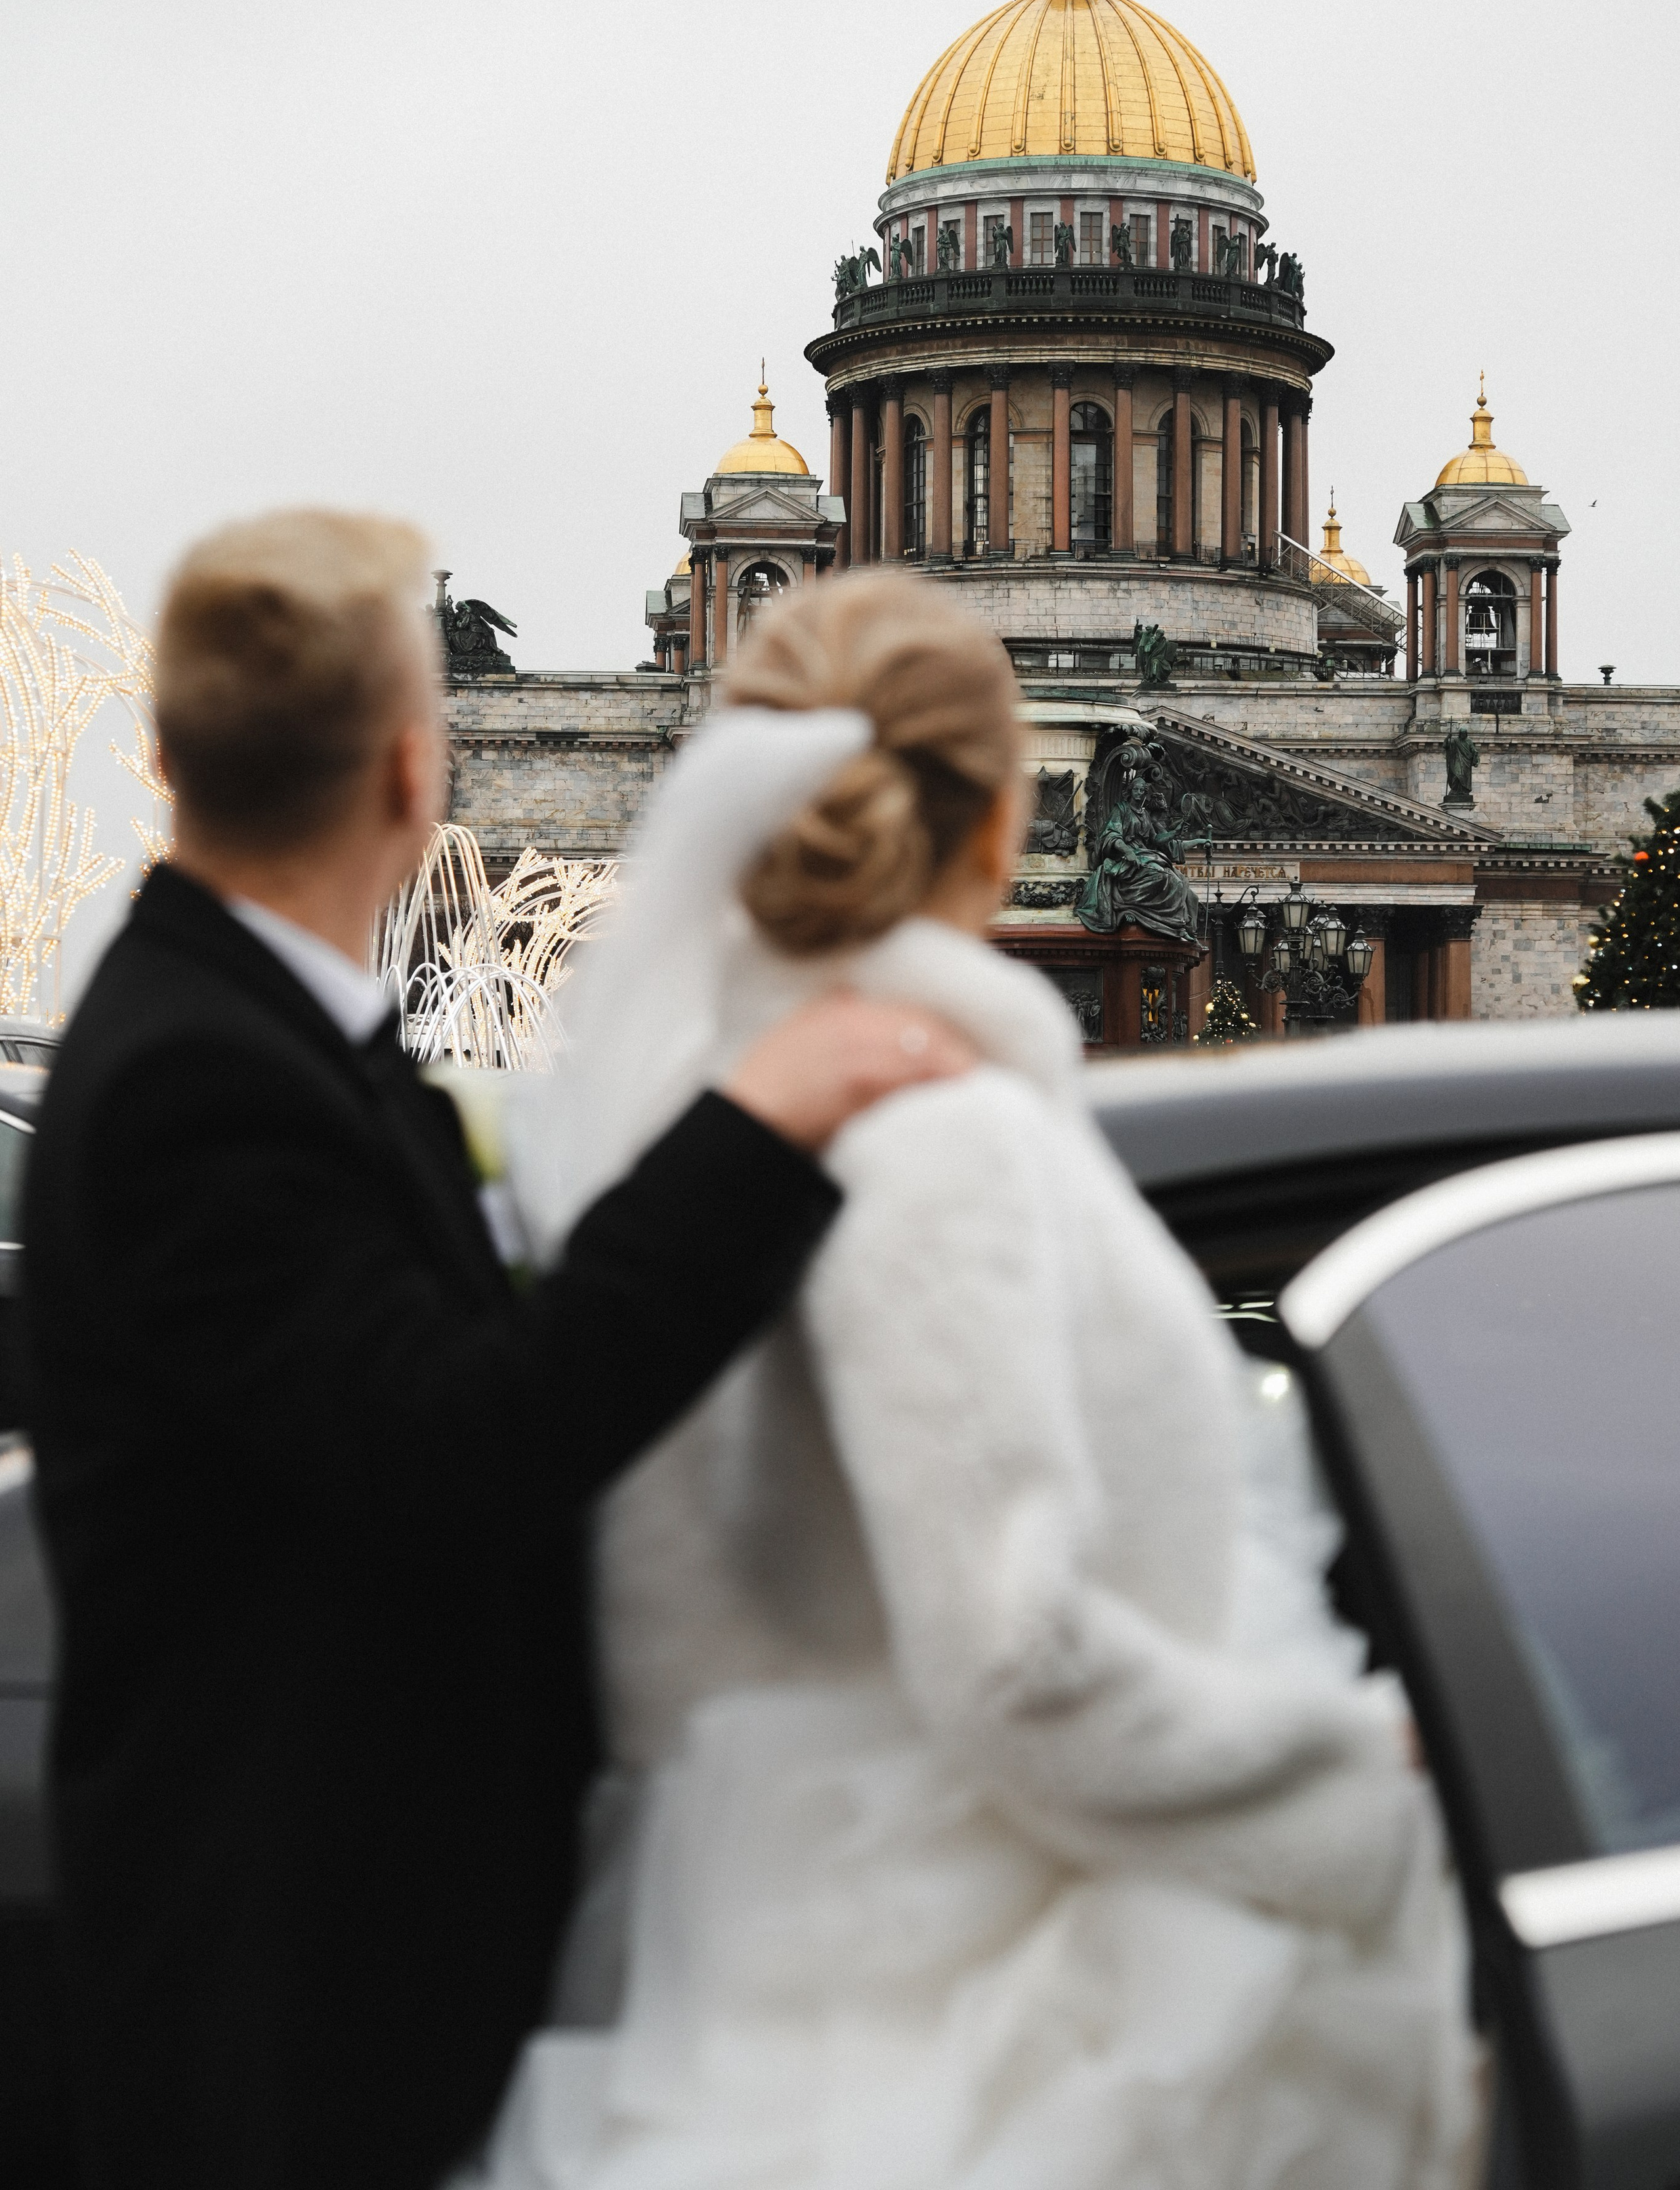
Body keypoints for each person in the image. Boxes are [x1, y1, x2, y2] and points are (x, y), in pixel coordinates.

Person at [464, 569, 1475, 2190]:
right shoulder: (938, 1142)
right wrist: (1357, 1798)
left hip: (794, 1998)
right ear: (1001, 818)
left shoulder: (716, 1144)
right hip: (990, 2036)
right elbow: (1014, 1667)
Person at [22, 511, 973, 2190]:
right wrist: (750, 1129)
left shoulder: (251, 1037)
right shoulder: (203, 1083)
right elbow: (462, 1449)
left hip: (343, 1951)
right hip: (298, 1991)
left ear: (164, 754)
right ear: (413, 772)